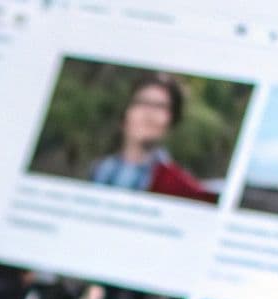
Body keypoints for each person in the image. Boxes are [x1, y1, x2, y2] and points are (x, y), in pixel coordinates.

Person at [88, 73, 213, 202]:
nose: (149, 113)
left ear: (172, 121)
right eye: (142, 102)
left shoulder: (182, 188)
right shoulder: (99, 169)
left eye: (160, 106)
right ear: (126, 113)